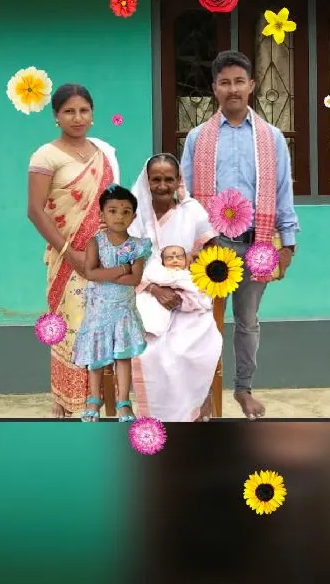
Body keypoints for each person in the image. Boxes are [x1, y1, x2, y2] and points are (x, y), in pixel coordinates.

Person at [181, 50, 300, 420]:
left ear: (251, 85)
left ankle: (243, 389)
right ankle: (203, 395)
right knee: (204, 321)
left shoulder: (272, 137)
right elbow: (183, 194)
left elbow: (283, 190)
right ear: (214, 88)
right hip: (211, 245)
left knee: (247, 322)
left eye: (239, 81)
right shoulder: (198, 139)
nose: (232, 89)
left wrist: (288, 241)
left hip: (257, 242)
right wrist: (184, 243)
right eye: (224, 82)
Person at [27, 83, 120, 419]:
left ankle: (102, 407)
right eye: (69, 111)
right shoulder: (46, 156)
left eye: (83, 110)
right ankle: (69, 405)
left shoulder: (103, 153)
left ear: (92, 114)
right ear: (56, 116)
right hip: (69, 262)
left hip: (106, 259)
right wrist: (72, 255)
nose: (77, 117)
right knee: (75, 327)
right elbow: (35, 211)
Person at [129, 153, 220, 421]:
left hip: (187, 297)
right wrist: (156, 289)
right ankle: (156, 419)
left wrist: (188, 281)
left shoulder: (192, 212)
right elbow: (124, 261)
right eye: (155, 179)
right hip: (144, 292)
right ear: (146, 181)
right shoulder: (132, 215)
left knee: (190, 346)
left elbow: (213, 255)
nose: (162, 185)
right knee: (152, 350)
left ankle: (194, 407)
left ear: (178, 181)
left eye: (169, 179)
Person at [72, 184, 152, 422]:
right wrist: (121, 268)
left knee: (123, 357)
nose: (119, 216)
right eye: (113, 210)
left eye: (126, 211)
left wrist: (108, 272)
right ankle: (94, 400)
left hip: (123, 312)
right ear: (102, 214)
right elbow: (90, 273)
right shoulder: (95, 243)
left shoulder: (139, 246)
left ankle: (123, 403)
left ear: (134, 216)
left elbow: (134, 279)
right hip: (98, 312)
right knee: (95, 359)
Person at [135, 244, 222, 422]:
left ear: (186, 260)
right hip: (158, 318)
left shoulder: (191, 276)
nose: (175, 260)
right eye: (170, 257)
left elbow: (201, 298)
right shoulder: (155, 272)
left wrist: (183, 299)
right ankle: (154, 414)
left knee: (187, 352)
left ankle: (189, 408)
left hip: (189, 319)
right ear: (162, 261)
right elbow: (141, 282)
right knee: (151, 354)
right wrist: (155, 289)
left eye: (178, 257)